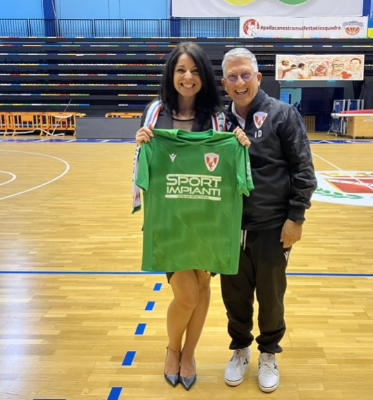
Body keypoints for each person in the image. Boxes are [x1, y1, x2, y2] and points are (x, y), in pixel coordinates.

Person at [135, 42, 250, 392]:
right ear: (171, 74)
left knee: (202, 287)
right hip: (170, 218)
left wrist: (239, 140)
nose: (188, 77)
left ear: (204, 77)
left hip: (206, 216)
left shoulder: (217, 117)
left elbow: (227, 162)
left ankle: (189, 354)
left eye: (195, 71)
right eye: (181, 70)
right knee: (186, 295)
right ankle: (173, 349)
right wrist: (141, 142)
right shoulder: (155, 111)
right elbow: (144, 162)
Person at [220, 48, 317, 393]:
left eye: (246, 74)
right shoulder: (218, 121)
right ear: (224, 83)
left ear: (258, 78)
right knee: (234, 296)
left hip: (273, 226)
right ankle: (240, 349)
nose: (240, 82)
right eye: (232, 76)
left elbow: (304, 170)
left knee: (271, 296)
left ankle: (268, 354)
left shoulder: (283, 114)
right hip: (230, 228)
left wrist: (296, 218)